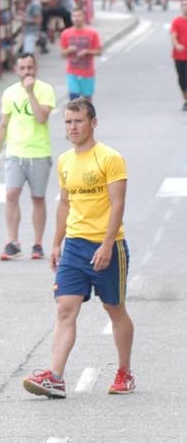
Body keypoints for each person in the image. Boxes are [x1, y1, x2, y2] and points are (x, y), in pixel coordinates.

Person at [22, 98, 134, 399]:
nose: (72, 127)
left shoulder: (110, 158)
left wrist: (108, 245)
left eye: (78, 121)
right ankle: (55, 378)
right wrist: (56, 243)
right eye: (68, 122)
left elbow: (118, 204)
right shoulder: (65, 161)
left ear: (93, 123)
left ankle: (124, 372)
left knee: (114, 309)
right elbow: (65, 204)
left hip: (107, 245)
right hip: (74, 245)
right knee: (64, 308)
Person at [0, 52, 56, 261]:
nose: (26, 71)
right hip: (15, 153)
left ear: (36, 69)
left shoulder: (45, 90)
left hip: (39, 153)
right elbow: (3, 124)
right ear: (17, 70)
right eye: (23, 68)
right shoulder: (9, 93)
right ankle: (12, 241)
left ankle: (37, 243)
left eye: (30, 67)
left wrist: (30, 93)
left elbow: (41, 117)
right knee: (11, 195)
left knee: (37, 198)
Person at [61, 8, 102, 99]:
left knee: (87, 101)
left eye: (79, 15)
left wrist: (87, 52)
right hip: (72, 72)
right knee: (74, 100)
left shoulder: (92, 33)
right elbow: (62, 54)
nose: (76, 18)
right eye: (74, 16)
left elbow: (99, 51)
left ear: (83, 17)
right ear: (71, 18)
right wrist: (68, 50)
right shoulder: (65, 33)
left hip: (87, 72)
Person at [173, 0, 187, 109]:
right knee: (182, 78)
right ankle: (186, 100)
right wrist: (177, 45)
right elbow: (173, 36)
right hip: (179, 56)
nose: (185, 7)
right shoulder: (177, 21)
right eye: (183, 5)